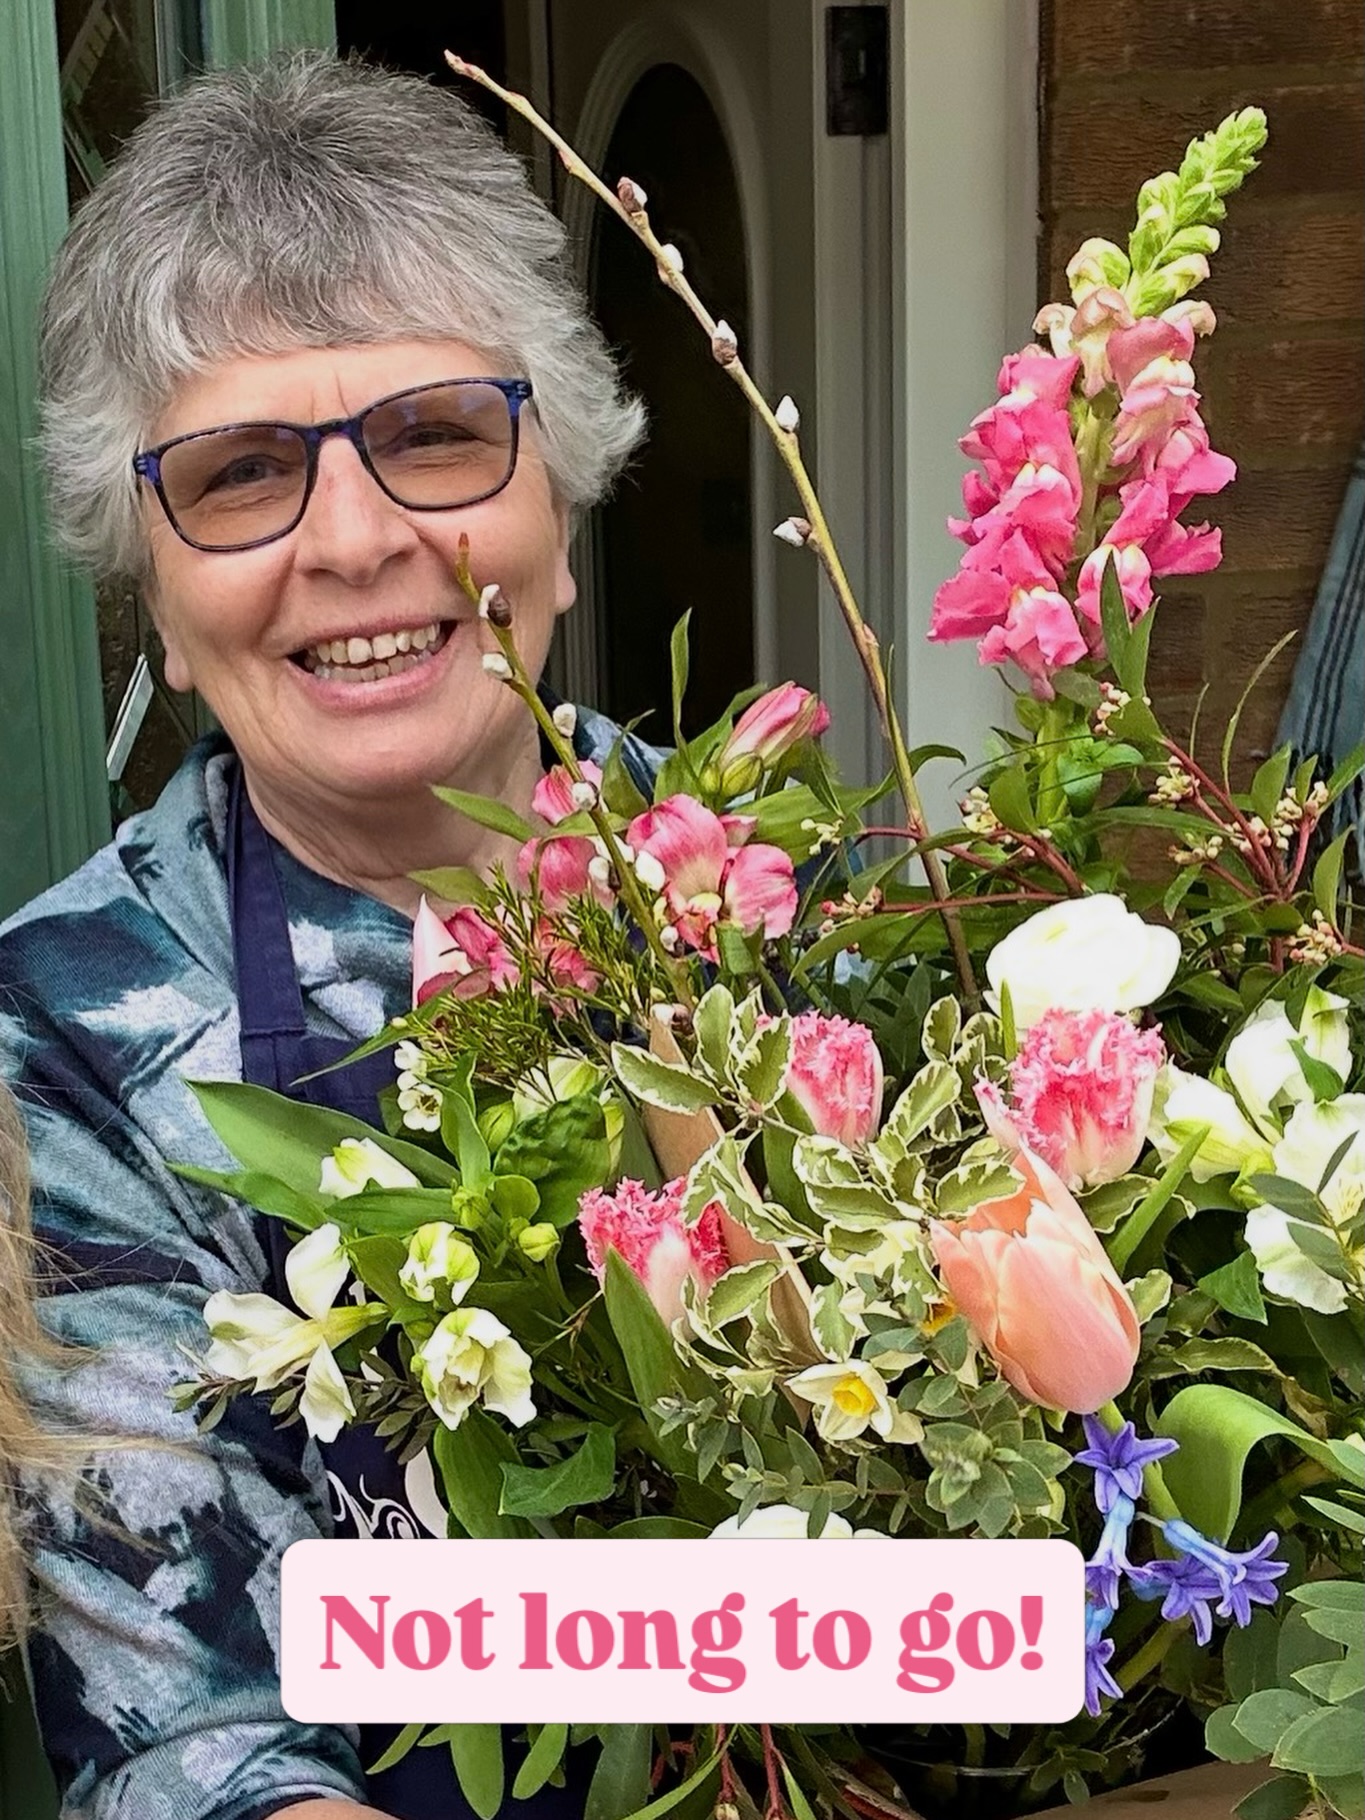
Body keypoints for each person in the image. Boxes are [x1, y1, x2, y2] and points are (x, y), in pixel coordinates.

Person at [0, 52, 657, 1820]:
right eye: (239, 474)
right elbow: (193, 1740)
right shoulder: (59, 1041)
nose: (357, 541)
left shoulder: (802, 901)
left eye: (435, 434)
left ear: (562, 500)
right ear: (154, 594)